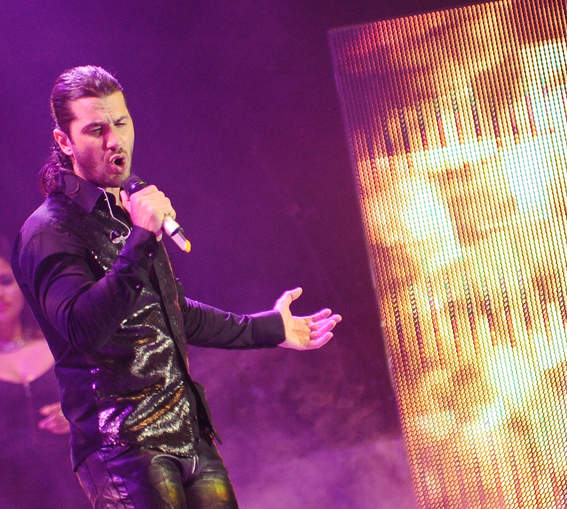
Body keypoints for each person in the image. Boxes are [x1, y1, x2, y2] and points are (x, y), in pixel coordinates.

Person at [11, 65, 341, 509]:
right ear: (64, 141)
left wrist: (269, 328)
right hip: (122, 444)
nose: (114, 141)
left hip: (188, 432)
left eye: (121, 123)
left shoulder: (124, 213)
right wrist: (141, 239)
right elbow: (82, 329)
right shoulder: (49, 231)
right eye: (95, 130)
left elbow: (170, 311)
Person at [0, 235, 88, 507]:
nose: (0, 294)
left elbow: (111, 405)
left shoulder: (60, 344)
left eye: (5, 281)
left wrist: (77, 416)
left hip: (78, 490)